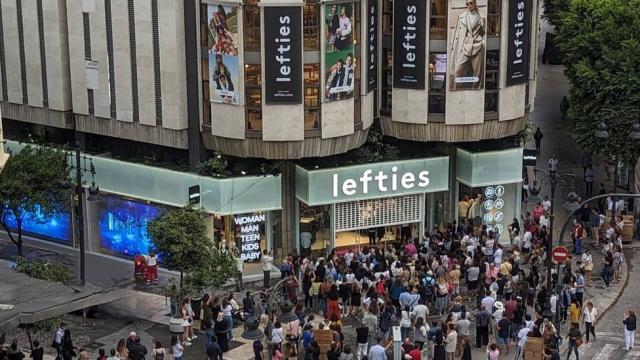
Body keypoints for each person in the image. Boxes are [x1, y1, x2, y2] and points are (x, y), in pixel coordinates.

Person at [449, 0, 485, 90]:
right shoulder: (462, 17)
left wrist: (483, 42)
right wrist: (453, 47)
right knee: (457, 71)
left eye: (471, 3)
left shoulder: (481, 17)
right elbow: (457, 34)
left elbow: (484, 32)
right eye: (467, 4)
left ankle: (476, 93)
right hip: (465, 48)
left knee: (478, 74)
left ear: (475, 3)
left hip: (478, 47)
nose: (469, 5)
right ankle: (456, 91)